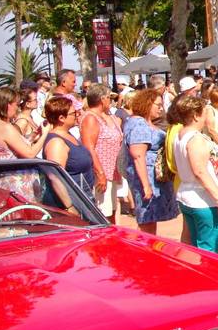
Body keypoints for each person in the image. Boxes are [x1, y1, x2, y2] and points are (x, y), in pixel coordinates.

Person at [173, 95, 218, 252]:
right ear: (195, 115)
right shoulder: (195, 138)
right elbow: (199, 170)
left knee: (197, 244)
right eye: (204, 113)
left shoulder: (180, 135)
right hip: (201, 199)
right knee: (209, 247)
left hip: (188, 194)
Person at [124, 88, 179, 235]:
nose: (161, 109)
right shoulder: (139, 124)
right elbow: (138, 155)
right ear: (147, 104)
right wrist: (146, 185)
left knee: (150, 221)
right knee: (147, 221)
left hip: (154, 178)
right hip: (146, 177)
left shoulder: (142, 122)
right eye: (158, 105)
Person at [0, 88, 49, 201]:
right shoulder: (5, 127)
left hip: (5, 181)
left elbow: (11, 149)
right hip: (18, 184)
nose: (18, 107)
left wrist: (33, 136)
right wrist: (45, 134)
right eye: (16, 104)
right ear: (7, 105)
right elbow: (29, 154)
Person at [82, 84, 123, 223]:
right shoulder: (91, 118)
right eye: (109, 98)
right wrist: (100, 174)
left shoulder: (108, 116)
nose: (111, 101)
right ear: (102, 99)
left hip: (112, 173)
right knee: (103, 214)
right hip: (101, 174)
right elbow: (89, 147)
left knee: (111, 210)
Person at [43, 96, 96, 200]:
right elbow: (55, 178)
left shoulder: (68, 135)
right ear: (61, 118)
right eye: (73, 113)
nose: (78, 115)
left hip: (83, 198)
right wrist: (69, 206)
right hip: (72, 201)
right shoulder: (56, 143)